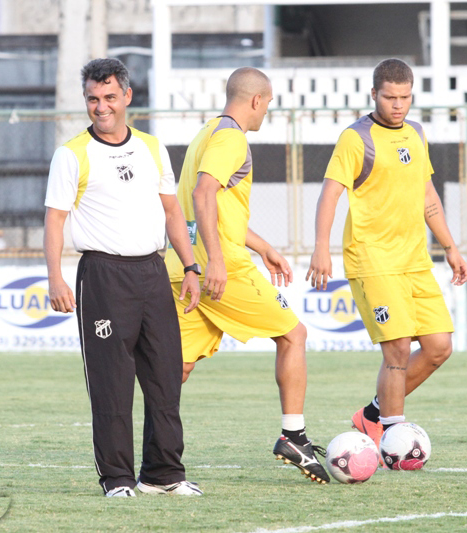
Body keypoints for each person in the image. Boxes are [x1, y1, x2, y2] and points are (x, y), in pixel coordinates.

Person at [43, 58, 203, 497]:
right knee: (112, 384)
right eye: (93, 98)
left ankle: (163, 475)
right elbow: (55, 219)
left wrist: (191, 267)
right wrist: (55, 278)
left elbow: (172, 211)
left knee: (165, 378)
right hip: (103, 276)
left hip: (152, 271)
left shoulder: (152, 147)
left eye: (110, 97)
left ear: (127, 96)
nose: (101, 107)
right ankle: (116, 479)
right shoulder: (72, 154)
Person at [164, 67, 330, 484]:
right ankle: (294, 436)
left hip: (184, 266)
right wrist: (218, 261)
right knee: (293, 335)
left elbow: (215, 207)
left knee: (177, 368)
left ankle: (157, 460)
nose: (266, 110)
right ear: (256, 100)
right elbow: (204, 194)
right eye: (268, 103)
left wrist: (264, 246)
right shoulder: (232, 138)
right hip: (220, 270)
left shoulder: (207, 132)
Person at [306, 58, 467, 460]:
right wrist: (321, 246)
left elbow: (427, 195)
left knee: (439, 346)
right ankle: (393, 438)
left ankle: (372, 414)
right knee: (396, 349)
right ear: (374, 94)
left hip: (414, 259)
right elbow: (330, 193)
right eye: (390, 97)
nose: (398, 105)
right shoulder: (355, 138)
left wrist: (450, 246)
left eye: (405, 97)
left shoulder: (416, 133)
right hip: (373, 258)